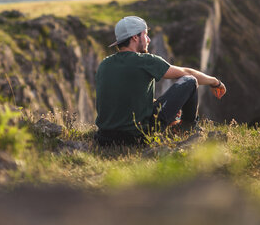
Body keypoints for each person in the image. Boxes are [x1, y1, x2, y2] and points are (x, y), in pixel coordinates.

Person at [94, 16, 226, 146]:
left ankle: (177, 124)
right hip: (138, 137)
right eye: (145, 35)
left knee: (159, 101)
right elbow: (188, 73)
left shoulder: (104, 64)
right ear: (135, 37)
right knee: (190, 81)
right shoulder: (145, 61)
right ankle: (186, 128)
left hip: (104, 138)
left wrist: (156, 104)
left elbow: (124, 96)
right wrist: (215, 82)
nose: (149, 40)